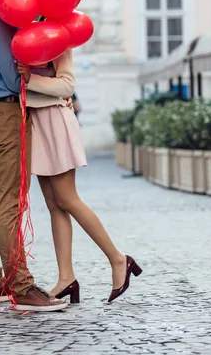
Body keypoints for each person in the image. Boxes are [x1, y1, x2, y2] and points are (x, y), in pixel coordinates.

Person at [17, 50, 142, 304]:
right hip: (34, 121)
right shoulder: (21, 31)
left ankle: (118, 259)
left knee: (68, 198)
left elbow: (67, 83)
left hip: (54, 117)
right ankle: (66, 278)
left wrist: (31, 79)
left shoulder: (56, 35)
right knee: (54, 205)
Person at [0, 9, 67, 312]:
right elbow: (14, 80)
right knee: (10, 201)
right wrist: (42, 73)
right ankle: (20, 286)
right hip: (7, 114)